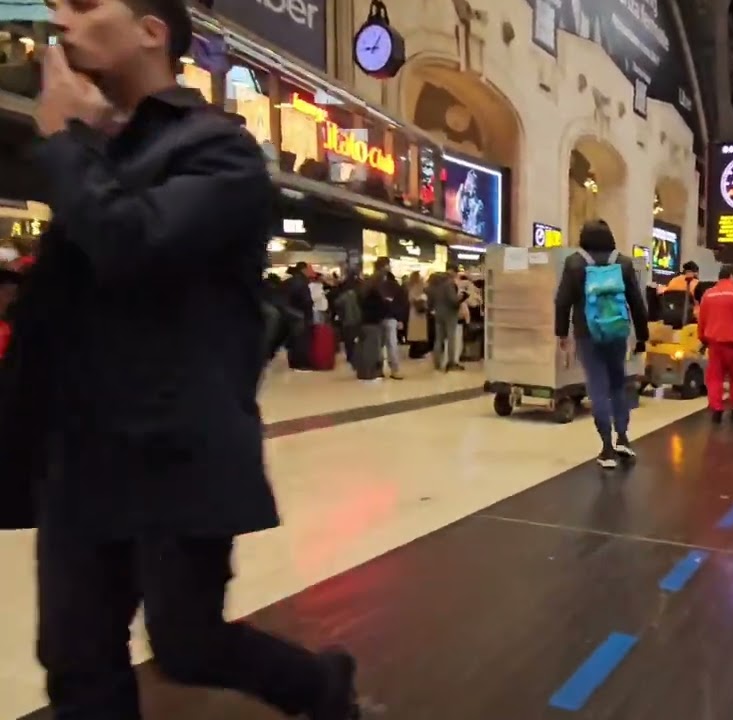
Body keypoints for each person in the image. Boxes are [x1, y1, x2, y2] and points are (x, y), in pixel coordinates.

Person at [0, 0, 359, 717]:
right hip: (80, 449)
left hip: (175, 445)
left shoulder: (220, 149)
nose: (60, 19)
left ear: (151, 30)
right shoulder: (99, 150)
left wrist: (66, 138)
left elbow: (136, 243)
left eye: (84, 4)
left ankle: (321, 686)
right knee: (76, 658)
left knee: (188, 641)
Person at [554, 220, 649, 468]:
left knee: (597, 388)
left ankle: (606, 448)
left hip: (588, 334)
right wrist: (642, 336)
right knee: (618, 384)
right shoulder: (624, 262)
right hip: (617, 332)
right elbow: (637, 304)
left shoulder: (575, 263)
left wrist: (562, 333)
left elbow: (562, 301)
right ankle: (623, 438)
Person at [699, 264, 733, 423]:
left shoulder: (708, 294)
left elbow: (702, 320)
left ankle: (716, 409)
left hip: (714, 344)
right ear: (732, 275)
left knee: (715, 378)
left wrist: (703, 339)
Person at [428, 270, 464, 371]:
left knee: (438, 339)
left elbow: (431, 301)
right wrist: (460, 298)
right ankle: (451, 363)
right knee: (451, 338)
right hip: (450, 314)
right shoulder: (449, 285)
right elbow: (453, 300)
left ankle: (437, 363)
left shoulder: (436, 285)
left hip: (438, 313)